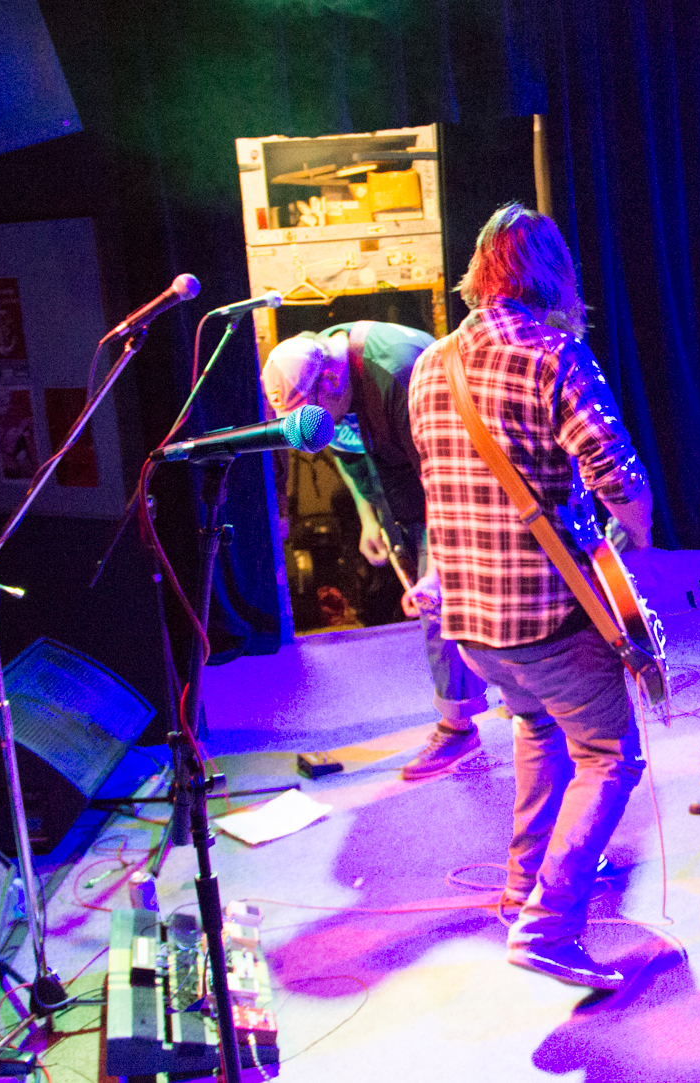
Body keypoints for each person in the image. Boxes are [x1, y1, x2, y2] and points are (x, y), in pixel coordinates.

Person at [406, 202, 653, 992]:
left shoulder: (430, 365)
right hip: (548, 616)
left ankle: (522, 888)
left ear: (479, 274)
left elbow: (439, 490)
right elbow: (616, 474)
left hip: (471, 624)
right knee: (610, 756)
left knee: (538, 725)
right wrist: (638, 537)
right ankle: (549, 926)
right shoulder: (555, 355)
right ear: (554, 277)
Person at [262, 321, 488, 780]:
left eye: (312, 412)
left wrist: (436, 568)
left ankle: (462, 726)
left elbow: (445, 474)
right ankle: (494, 703)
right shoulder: (327, 371)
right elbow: (349, 452)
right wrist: (370, 518)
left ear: (330, 379)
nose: (313, 426)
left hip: (457, 487)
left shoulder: (399, 373)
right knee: (443, 609)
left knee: (442, 606)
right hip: (406, 489)